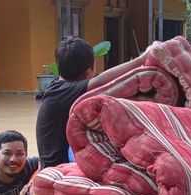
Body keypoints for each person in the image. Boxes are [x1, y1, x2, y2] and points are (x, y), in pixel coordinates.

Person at [36, 36, 149, 168]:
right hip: (59, 166)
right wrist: (140, 61)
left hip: (57, 158)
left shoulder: (59, 86)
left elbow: (101, 77)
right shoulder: (66, 91)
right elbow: (100, 81)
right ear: (88, 72)